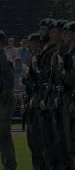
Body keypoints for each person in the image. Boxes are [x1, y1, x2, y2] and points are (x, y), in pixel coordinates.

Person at [0, 30, 17, 170]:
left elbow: (9, 84)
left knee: (4, 134)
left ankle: (10, 165)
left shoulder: (4, 60)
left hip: (4, 101)